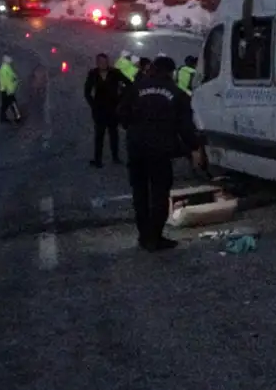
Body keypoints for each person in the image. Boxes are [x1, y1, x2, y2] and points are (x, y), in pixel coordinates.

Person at [117, 56, 202, 251]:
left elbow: (121, 114)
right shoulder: (177, 94)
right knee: (159, 193)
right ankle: (155, 237)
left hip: (136, 148)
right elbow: (186, 128)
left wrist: (135, 128)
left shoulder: (136, 88)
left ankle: (143, 235)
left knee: (140, 193)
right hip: (160, 150)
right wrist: (195, 148)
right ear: (171, 73)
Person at [84, 53, 130, 167]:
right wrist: (92, 104)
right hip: (99, 109)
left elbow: (129, 84)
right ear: (97, 63)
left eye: (104, 62)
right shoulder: (93, 73)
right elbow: (87, 91)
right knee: (99, 134)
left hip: (113, 108)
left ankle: (115, 157)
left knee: (114, 134)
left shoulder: (115, 73)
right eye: (100, 62)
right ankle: (98, 160)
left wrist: (121, 98)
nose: (103, 64)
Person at [0, 55, 21, 123]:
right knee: (13, 103)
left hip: (3, 90)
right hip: (8, 90)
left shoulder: (4, 68)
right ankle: (18, 118)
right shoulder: (5, 69)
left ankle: (3, 118)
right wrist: (10, 90)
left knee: (5, 104)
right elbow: (7, 80)